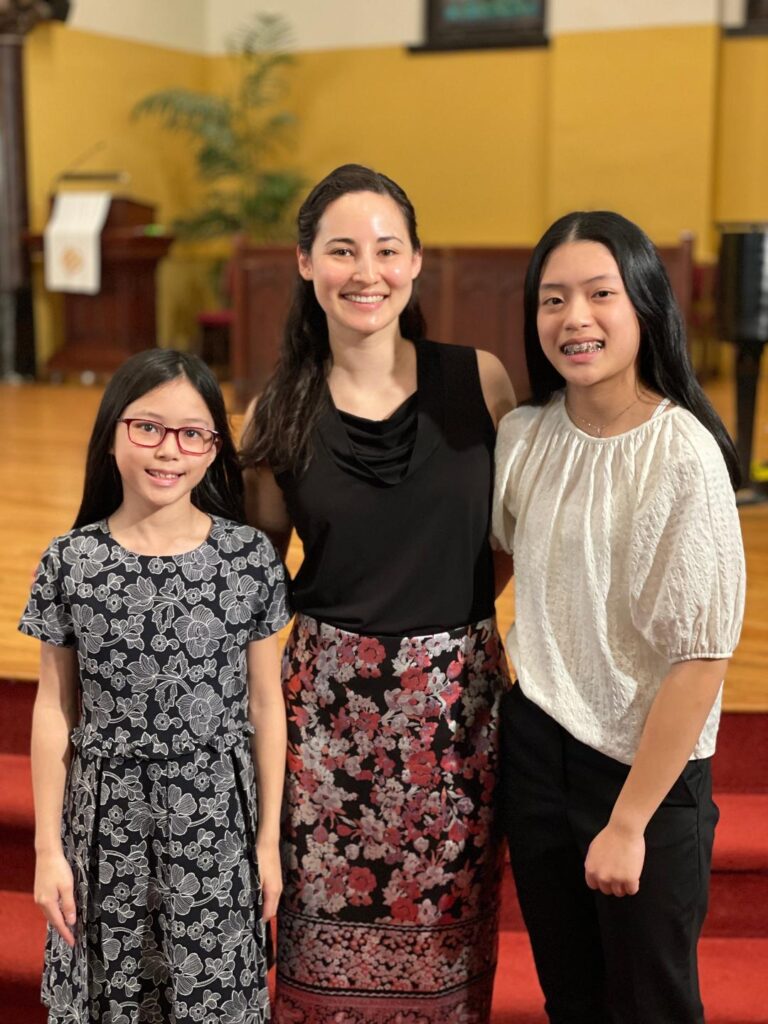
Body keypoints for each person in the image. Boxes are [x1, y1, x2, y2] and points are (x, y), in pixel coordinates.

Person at [240, 163, 516, 1023]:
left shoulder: (481, 382)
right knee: (324, 952)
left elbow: (506, 543)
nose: (367, 271)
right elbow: (254, 584)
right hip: (326, 725)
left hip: (457, 718)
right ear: (305, 263)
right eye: (342, 250)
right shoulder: (276, 409)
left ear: (417, 261)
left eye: (387, 249)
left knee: (450, 951)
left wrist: (435, 640)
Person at [492, 211, 746, 1024]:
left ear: (645, 304)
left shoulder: (683, 453)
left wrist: (629, 823)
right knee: (571, 997)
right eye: (553, 299)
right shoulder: (524, 436)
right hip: (538, 749)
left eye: (601, 294)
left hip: (644, 770)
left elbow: (702, 656)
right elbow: (499, 559)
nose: (575, 318)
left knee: (651, 1005)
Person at [20, 349, 290, 1023]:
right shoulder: (71, 561)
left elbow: (266, 705)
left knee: (212, 999)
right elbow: (54, 707)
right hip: (105, 821)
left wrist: (267, 843)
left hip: (215, 822)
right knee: (114, 997)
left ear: (214, 449)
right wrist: (48, 849)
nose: (170, 450)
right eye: (148, 427)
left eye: (193, 433)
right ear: (111, 434)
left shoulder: (248, 557)